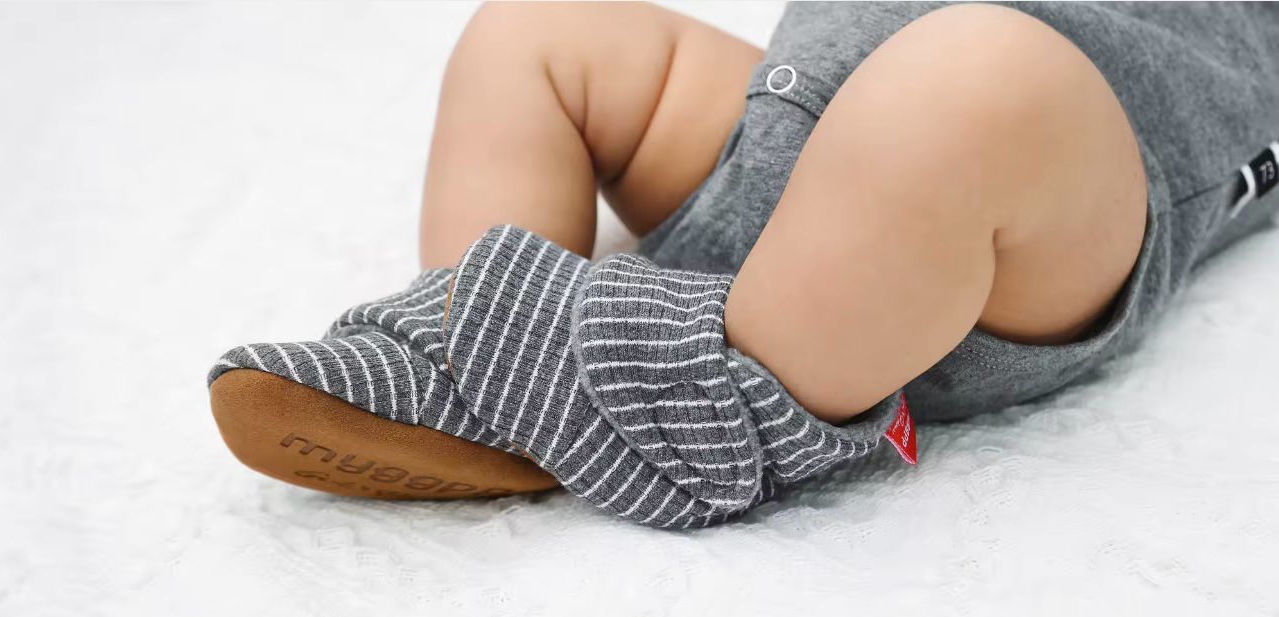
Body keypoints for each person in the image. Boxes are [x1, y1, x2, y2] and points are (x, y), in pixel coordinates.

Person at [207, 1, 1279, 527]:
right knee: (537, 26)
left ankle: (673, 402)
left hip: (1021, 212)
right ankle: (466, 340)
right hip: (785, 109)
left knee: (978, 80)